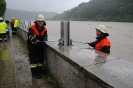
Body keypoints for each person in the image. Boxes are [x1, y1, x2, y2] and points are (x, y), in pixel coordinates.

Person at [27, 14, 47, 79]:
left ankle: (39, 70)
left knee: (41, 59)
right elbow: (30, 37)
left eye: (41, 21)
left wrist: (43, 41)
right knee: (33, 60)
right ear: (36, 21)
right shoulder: (32, 28)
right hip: (32, 46)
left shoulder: (45, 29)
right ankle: (34, 73)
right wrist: (37, 41)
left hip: (40, 47)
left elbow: (45, 37)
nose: (40, 22)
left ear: (43, 22)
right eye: (39, 21)